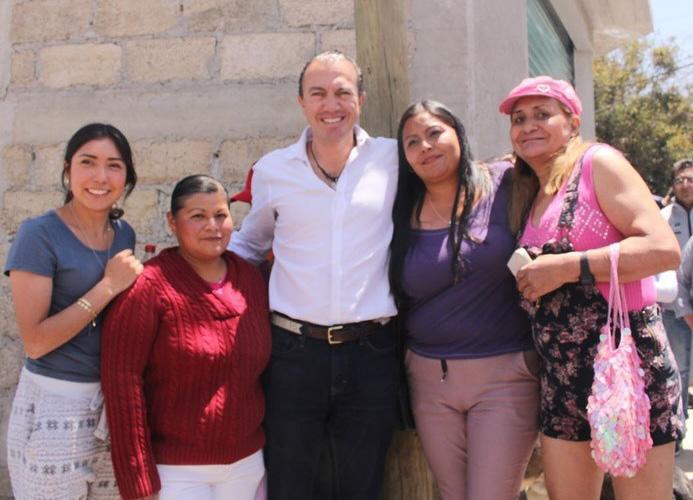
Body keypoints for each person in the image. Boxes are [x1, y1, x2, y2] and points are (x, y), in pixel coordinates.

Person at [499, 75, 683, 499]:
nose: (528, 126)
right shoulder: (532, 188)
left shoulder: (599, 164)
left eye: (542, 114)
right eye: (519, 119)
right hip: (563, 380)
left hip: (628, 372)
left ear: (573, 122)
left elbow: (663, 249)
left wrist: (569, 267)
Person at [228, 50, 399, 500]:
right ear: (301, 102)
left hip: (372, 353)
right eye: (318, 93)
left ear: (361, 99)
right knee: (290, 484)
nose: (331, 105)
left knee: (362, 487)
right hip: (293, 354)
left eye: (342, 92)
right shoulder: (273, 170)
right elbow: (249, 245)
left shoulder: (393, 160)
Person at [389, 100, 539, 499]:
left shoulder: (506, 182)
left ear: (458, 133)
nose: (425, 146)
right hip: (428, 383)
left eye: (435, 132)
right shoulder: (399, 211)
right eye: (412, 142)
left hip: (505, 378)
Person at [100, 175, 271, 500]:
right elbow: (122, 384)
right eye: (197, 216)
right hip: (176, 473)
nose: (212, 226)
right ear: (172, 222)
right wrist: (138, 481)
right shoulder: (148, 287)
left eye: (220, 215)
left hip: (247, 466)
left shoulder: (250, 280)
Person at [4, 123, 141, 499]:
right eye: (88, 162)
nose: (101, 177)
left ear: (127, 176)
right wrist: (107, 286)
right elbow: (35, 342)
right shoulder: (39, 234)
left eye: (114, 165)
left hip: (110, 407)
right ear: (68, 170)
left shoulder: (123, 234)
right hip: (54, 405)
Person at [660, 158, 693, 449]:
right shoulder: (663, 217)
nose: (685, 185)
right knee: (678, 370)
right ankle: (678, 431)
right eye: (680, 180)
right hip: (673, 309)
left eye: (690, 179)